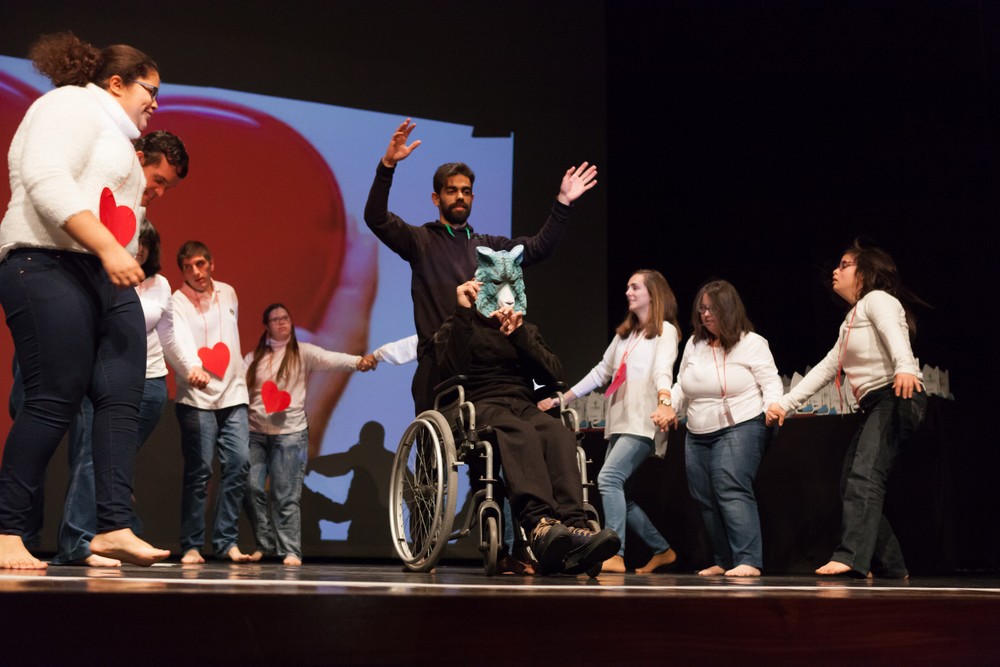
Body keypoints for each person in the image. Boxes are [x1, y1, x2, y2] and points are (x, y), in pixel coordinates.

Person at [0, 32, 170, 569]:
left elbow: (119, 211)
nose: (156, 104)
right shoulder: (70, 105)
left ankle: (113, 525)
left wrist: (118, 249)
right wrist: (107, 247)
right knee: (53, 397)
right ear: (116, 83)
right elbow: (46, 178)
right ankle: (6, 530)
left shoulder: (118, 139)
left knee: (122, 395)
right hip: (44, 262)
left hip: (102, 274)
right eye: (150, 91)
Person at [364, 118, 598, 412]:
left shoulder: (490, 247)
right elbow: (376, 218)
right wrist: (387, 166)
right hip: (439, 363)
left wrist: (562, 203)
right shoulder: (420, 240)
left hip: (485, 368)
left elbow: (538, 248)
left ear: (472, 197)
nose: (460, 197)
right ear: (436, 198)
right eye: (451, 190)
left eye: (465, 191)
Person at [435, 248, 620, 576]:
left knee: (557, 432)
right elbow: (450, 368)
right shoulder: (462, 323)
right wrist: (463, 311)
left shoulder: (524, 329)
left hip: (522, 403)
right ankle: (539, 525)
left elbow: (555, 375)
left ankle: (575, 527)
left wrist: (520, 335)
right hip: (481, 403)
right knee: (519, 431)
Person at [53, 131, 188, 567]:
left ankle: (109, 531)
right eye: (158, 180)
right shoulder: (103, 251)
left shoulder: (159, 284)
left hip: (148, 384)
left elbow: (170, 335)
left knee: (113, 459)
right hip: (101, 372)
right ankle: (79, 542)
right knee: (90, 458)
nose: (159, 192)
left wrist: (189, 368)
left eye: (144, 245)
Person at [766, 241, 926, 579]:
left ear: (864, 273)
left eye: (844, 265)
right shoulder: (851, 320)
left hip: (897, 394)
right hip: (877, 403)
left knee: (864, 476)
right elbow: (827, 368)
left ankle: (852, 557)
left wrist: (905, 366)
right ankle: (894, 566)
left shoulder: (878, 300)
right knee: (851, 482)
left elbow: (895, 332)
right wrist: (785, 404)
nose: (835, 272)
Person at [539, 270, 680, 574]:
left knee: (608, 479)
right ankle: (662, 549)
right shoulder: (625, 335)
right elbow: (601, 372)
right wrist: (561, 400)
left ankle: (615, 553)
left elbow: (663, 370)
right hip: (620, 422)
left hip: (643, 422)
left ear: (653, 294)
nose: (628, 292)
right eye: (627, 287)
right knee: (619, 493)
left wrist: (665, 401)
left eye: (635, 287)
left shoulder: (665, 332)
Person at [659, 280, 782, 577]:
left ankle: (748, 560)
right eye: (702, 309)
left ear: (728, 309)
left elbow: (770, 382)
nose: (705, 314)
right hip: (697, 431)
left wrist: (773, 407)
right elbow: (681, 385)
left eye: (712, 309)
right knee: (703, 495)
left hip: (741, 424)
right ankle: (724, 559)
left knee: (730, 486)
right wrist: (668, 404)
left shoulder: (752, 343)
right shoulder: (694, 344)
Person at [243, 303, 375, 566]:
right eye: (275, 319)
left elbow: (329, 358)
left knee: (286, 494)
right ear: (266, 326)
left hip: (290, 434)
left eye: (285, 318)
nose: (282, 322)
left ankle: (290, 550)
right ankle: (265, 544)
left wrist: (356, 362)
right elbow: (238, 385)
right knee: (252, 488)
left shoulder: (302, 352)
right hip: (255, 434)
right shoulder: (253, 358)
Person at [159, 241, 252, 563]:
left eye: (200, 264)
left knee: (238, 464)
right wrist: (191, 369)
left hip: (234, 394)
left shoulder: (228, 292)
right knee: (199, 472)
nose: (196, 272)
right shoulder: (177, 300)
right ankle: (192, 545)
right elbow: (177, 339)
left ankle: (226, 542)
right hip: (196, 396)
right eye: (188, 267)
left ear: (211, 263)